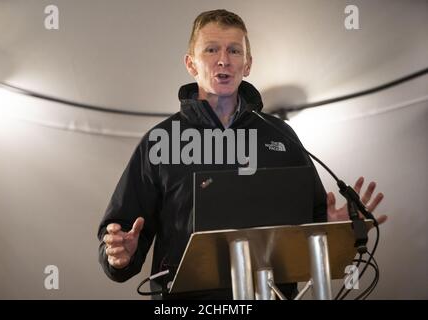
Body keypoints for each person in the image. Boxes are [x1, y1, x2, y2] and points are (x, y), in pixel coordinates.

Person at [98, 9, 387, 299]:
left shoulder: (281, 136)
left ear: (247, 65)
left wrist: (334, 229)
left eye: (234, 51)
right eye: (211, 49)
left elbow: (310, 221)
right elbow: (122, 231)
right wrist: (120, 253)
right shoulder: (160, 142)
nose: (223, 59)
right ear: (191, 64)